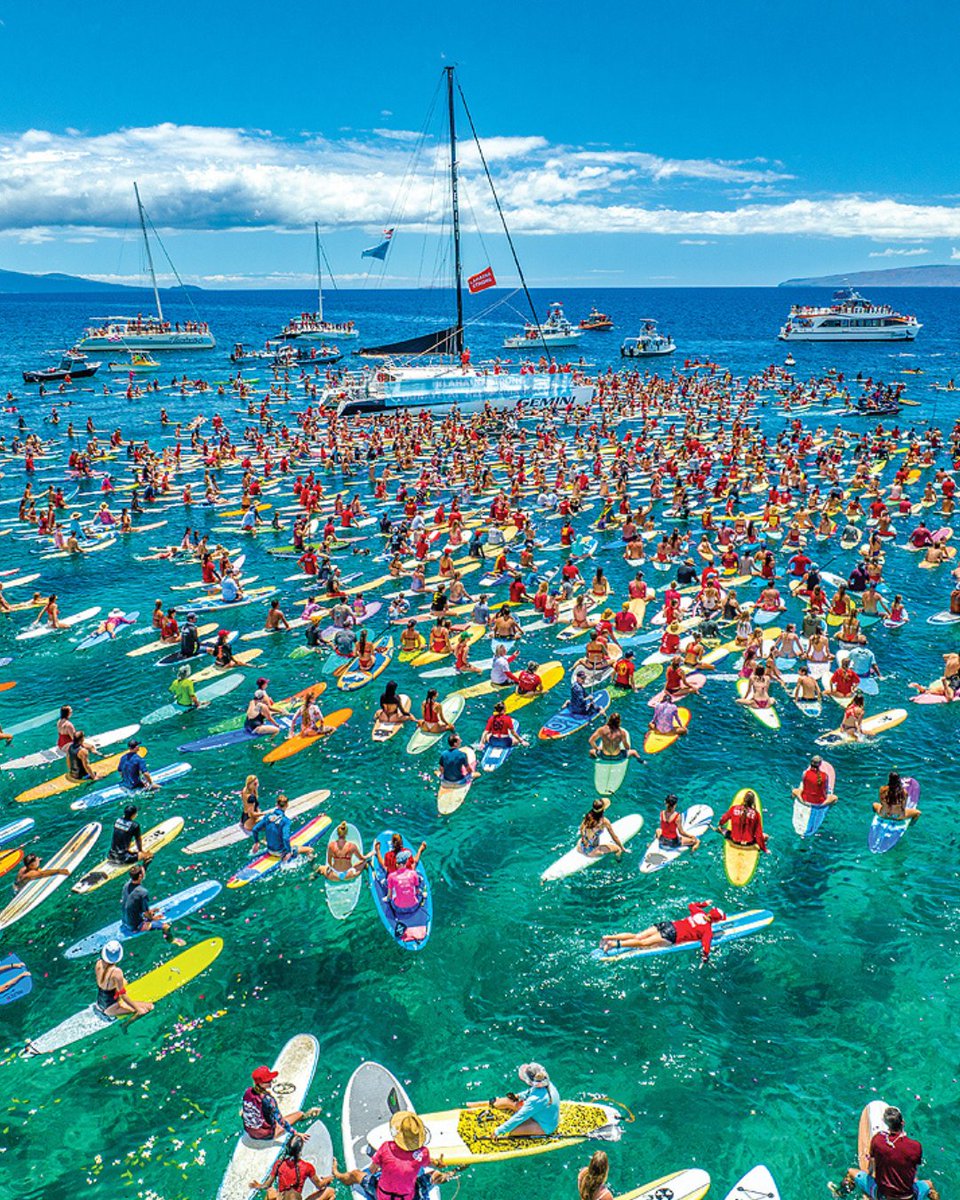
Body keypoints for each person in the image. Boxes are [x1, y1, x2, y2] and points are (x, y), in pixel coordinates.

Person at [333, 1110, 450, 1200]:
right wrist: (438, 1163)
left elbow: (372, 1170)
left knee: (355, 1174)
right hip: (409, 1197)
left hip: (383, 1196)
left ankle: (338, 1175)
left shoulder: (386, 1148)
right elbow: (429, 1163)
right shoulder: (423, 1153)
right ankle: (451, 1174)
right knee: (436, 1175)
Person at [832, 1104, 938, 1200]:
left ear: (887, 1125)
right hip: (911, 1197)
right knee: (929, 1184)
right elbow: (914, 1171)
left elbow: (872, 1166)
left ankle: (839, 1194)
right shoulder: (916, 1146)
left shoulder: (878, 1140)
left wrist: (870, 1174)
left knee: (851, 1172)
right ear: (903, 1123)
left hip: (882, 1196)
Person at [600, 900, 727, 961]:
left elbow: (691, 905)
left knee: (638, 936)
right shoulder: (707, 930)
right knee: (644, 944)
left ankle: (609, 937)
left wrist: (704, 904)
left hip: (667, 924)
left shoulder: (698, 912)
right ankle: (613, 945)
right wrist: (705, 957)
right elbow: (706, 946)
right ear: (716, 921)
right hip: (671, 934)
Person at [465, 1062, 561, 1138]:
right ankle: (484, 1104)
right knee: (507, 1101)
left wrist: (498, 1131)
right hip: (538, 1112)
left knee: (513, 1131)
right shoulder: (544, 1083)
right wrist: (518, 1096)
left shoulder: (535, 1100)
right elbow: (532, 1091)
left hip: (545, 1126)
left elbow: (519, 1117)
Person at [241, 1063, 319, 1142]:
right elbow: (281, 1121)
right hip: (266, 1135)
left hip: (250, 1132)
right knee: (299, 1114)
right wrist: (296, 1133)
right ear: (260, 1084)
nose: (271, 1081)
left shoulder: (247, 1092)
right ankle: (305, 1116)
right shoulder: (269, 1100)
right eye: (268, 1080)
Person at [85, 941, 154, 1028]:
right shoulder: (116, 972)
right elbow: (124, 996)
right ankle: (125, 1025)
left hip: (100, 1002)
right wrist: (138, 1009)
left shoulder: (99, 963)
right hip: (110, 1008)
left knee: (123, 981)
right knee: (149, 1007)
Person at [249, 1131, 334, 1200]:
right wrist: (327, 1179)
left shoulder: (279, 1163)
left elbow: (267, 1185)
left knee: (270, 1192)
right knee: (330, 1192)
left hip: (282, 1198)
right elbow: (319, 1185)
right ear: (300, 1151)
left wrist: (258, 1186)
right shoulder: (307, 1167)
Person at [120, 864, 185, 945]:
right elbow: (147, 915)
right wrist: (154, 918)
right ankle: (171, 940)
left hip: (125, 921)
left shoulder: (126, 885)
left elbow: (132, 903)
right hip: (134, 926)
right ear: (140, 876)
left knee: (153, 911)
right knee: (166, 927)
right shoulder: (142, 892)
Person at [250, 794, 315, 864]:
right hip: (280, 853)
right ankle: (313, 867)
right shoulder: (286, 821)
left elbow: (255, 829)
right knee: (310, 850)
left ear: (276, 804)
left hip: (269, 850)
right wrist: (289, 852)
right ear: (287, 805)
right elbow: (285, 838)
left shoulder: (267, 816)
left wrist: (256, 842)